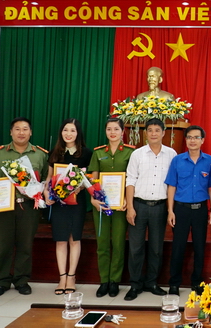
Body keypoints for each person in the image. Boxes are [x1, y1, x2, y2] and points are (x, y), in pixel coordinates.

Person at [0, 117, 49, 298]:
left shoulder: (40, 155)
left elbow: (46, 179)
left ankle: (21, 280)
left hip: (28, 207)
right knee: (3, 245)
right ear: (11, 132)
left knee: (25, 245)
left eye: (25, 129)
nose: (21, 132)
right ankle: (2, 281)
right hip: (3, 206)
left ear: (31, 132)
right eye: (17, 129)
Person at [123, 118, 177, 301]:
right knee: (135, 248)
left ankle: (152, 282)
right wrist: (130, 207)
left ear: (163, 133)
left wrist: (170, 209)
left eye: (157, 130)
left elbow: (173, 183)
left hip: (160, 207)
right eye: (150, 130)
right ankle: (135, 284)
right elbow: (130, 180)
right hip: (138, 205)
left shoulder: (171, 154)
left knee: (156, 248)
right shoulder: (137, 154)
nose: (153, 133)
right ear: (145, 133)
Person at [43, 119, 93, 295]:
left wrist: (79, 187)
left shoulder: (86, 153)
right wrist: (46, 193)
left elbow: (90, 179)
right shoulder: (55, 153)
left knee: (74, 239)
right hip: (59, 204)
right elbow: (49, 178)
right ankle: (62, 278)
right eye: (65, 130)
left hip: (77, 202)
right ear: (61, 132)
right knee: (61, 239)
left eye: (72, 130)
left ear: (78, 133)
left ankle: (71, 276)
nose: (68, 134)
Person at [165, 125, 211, 295]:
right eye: (189, 137)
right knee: (178, 247)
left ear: (202, 140)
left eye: (196, 137)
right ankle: (174, 283)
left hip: (200, 210)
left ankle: (197, 282)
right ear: (186, 140)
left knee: (199, 247)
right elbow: (171, 186)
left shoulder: (209, 161)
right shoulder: (177, 160)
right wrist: (170, 210)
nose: (192, 140)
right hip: (181, 209)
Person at [87, 118, 135, 298]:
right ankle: (104, 281)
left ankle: (115, 280)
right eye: (109, 129)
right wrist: (93, 198)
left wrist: (127, 199)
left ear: (123, 131)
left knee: (118, 243)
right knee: (102, 243)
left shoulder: (130, 152)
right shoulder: (98, 152)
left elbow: (132, 178)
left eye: (116, 129)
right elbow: (93, 178)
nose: (112, 132)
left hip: (121, 205)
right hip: (101, 204)